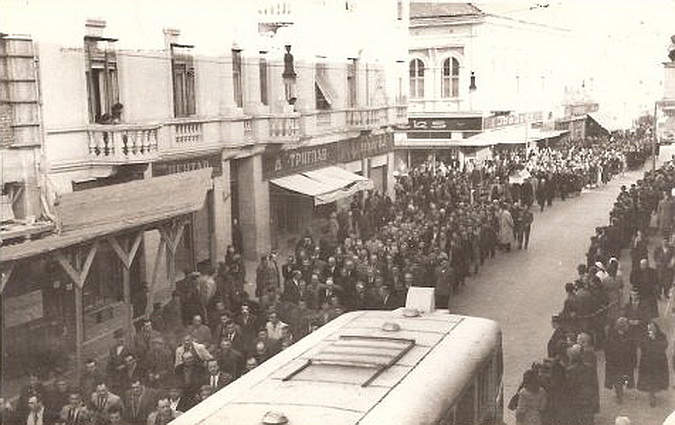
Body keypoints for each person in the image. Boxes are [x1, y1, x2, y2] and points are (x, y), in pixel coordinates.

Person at [604, 317, 637, 404]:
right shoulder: (612, 336)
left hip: (625, 362)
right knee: (617, 379)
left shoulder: (629, 335)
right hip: (615, 362)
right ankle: (619, 394)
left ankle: (620, 390)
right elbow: (607, 350)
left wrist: (634, 361)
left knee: (623, 378)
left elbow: (633, 349)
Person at [637, 321, 669, 407]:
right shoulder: (644, 336)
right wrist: (649, 340)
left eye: (652, 328)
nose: (650, 330)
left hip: (659, 362)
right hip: (647, 362)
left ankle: (654, 392)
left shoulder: (661, 335)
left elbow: (664, 345)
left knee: (657, 379)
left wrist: (654, 340)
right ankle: (652, 395)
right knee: (650, 380)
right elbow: (642, 346)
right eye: (649, 328)